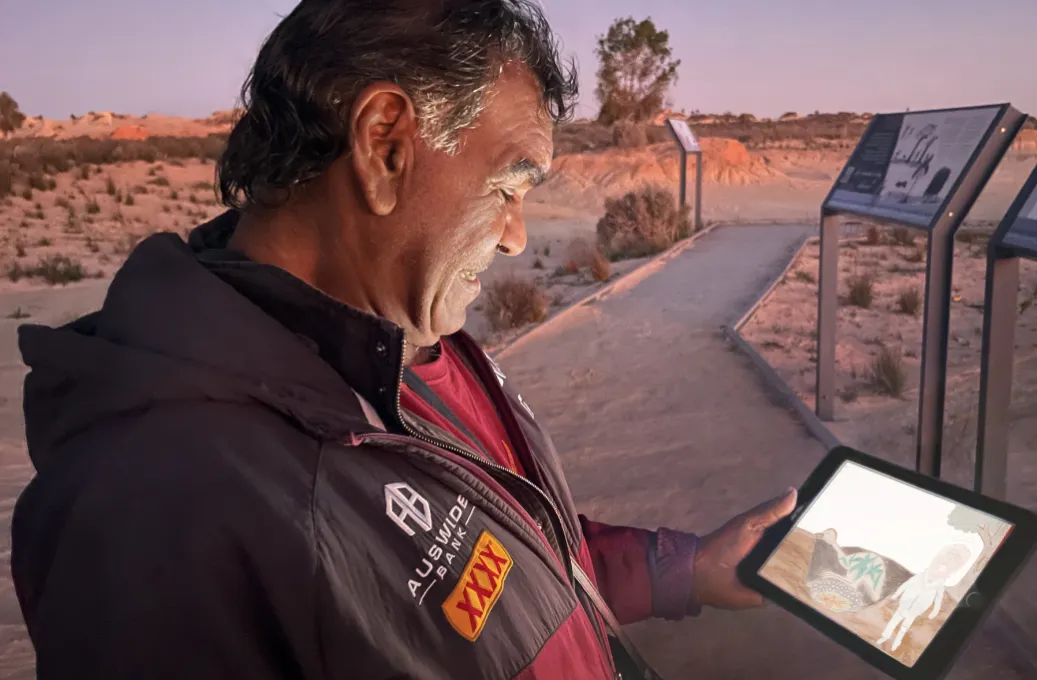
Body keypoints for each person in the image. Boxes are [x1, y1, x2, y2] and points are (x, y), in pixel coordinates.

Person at [11, 1, 798, 678]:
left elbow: (522, 562)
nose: (519, 237)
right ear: (385, 144)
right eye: (508, 186)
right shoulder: (153, 512)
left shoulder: (415, 345)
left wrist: (682, 569)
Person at [876, 544, 972, 652]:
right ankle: (885, 636)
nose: (946, 562)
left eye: (954, 560)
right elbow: (906, 584)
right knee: (895, 619)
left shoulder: (939, 586)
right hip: (905, 603)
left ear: (953, 571)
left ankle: (896, 643)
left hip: (917, 609)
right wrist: (897, 594)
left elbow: (938, 599)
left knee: (905, 626)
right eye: (948, 555)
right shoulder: (920, 576)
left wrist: (934, 612)